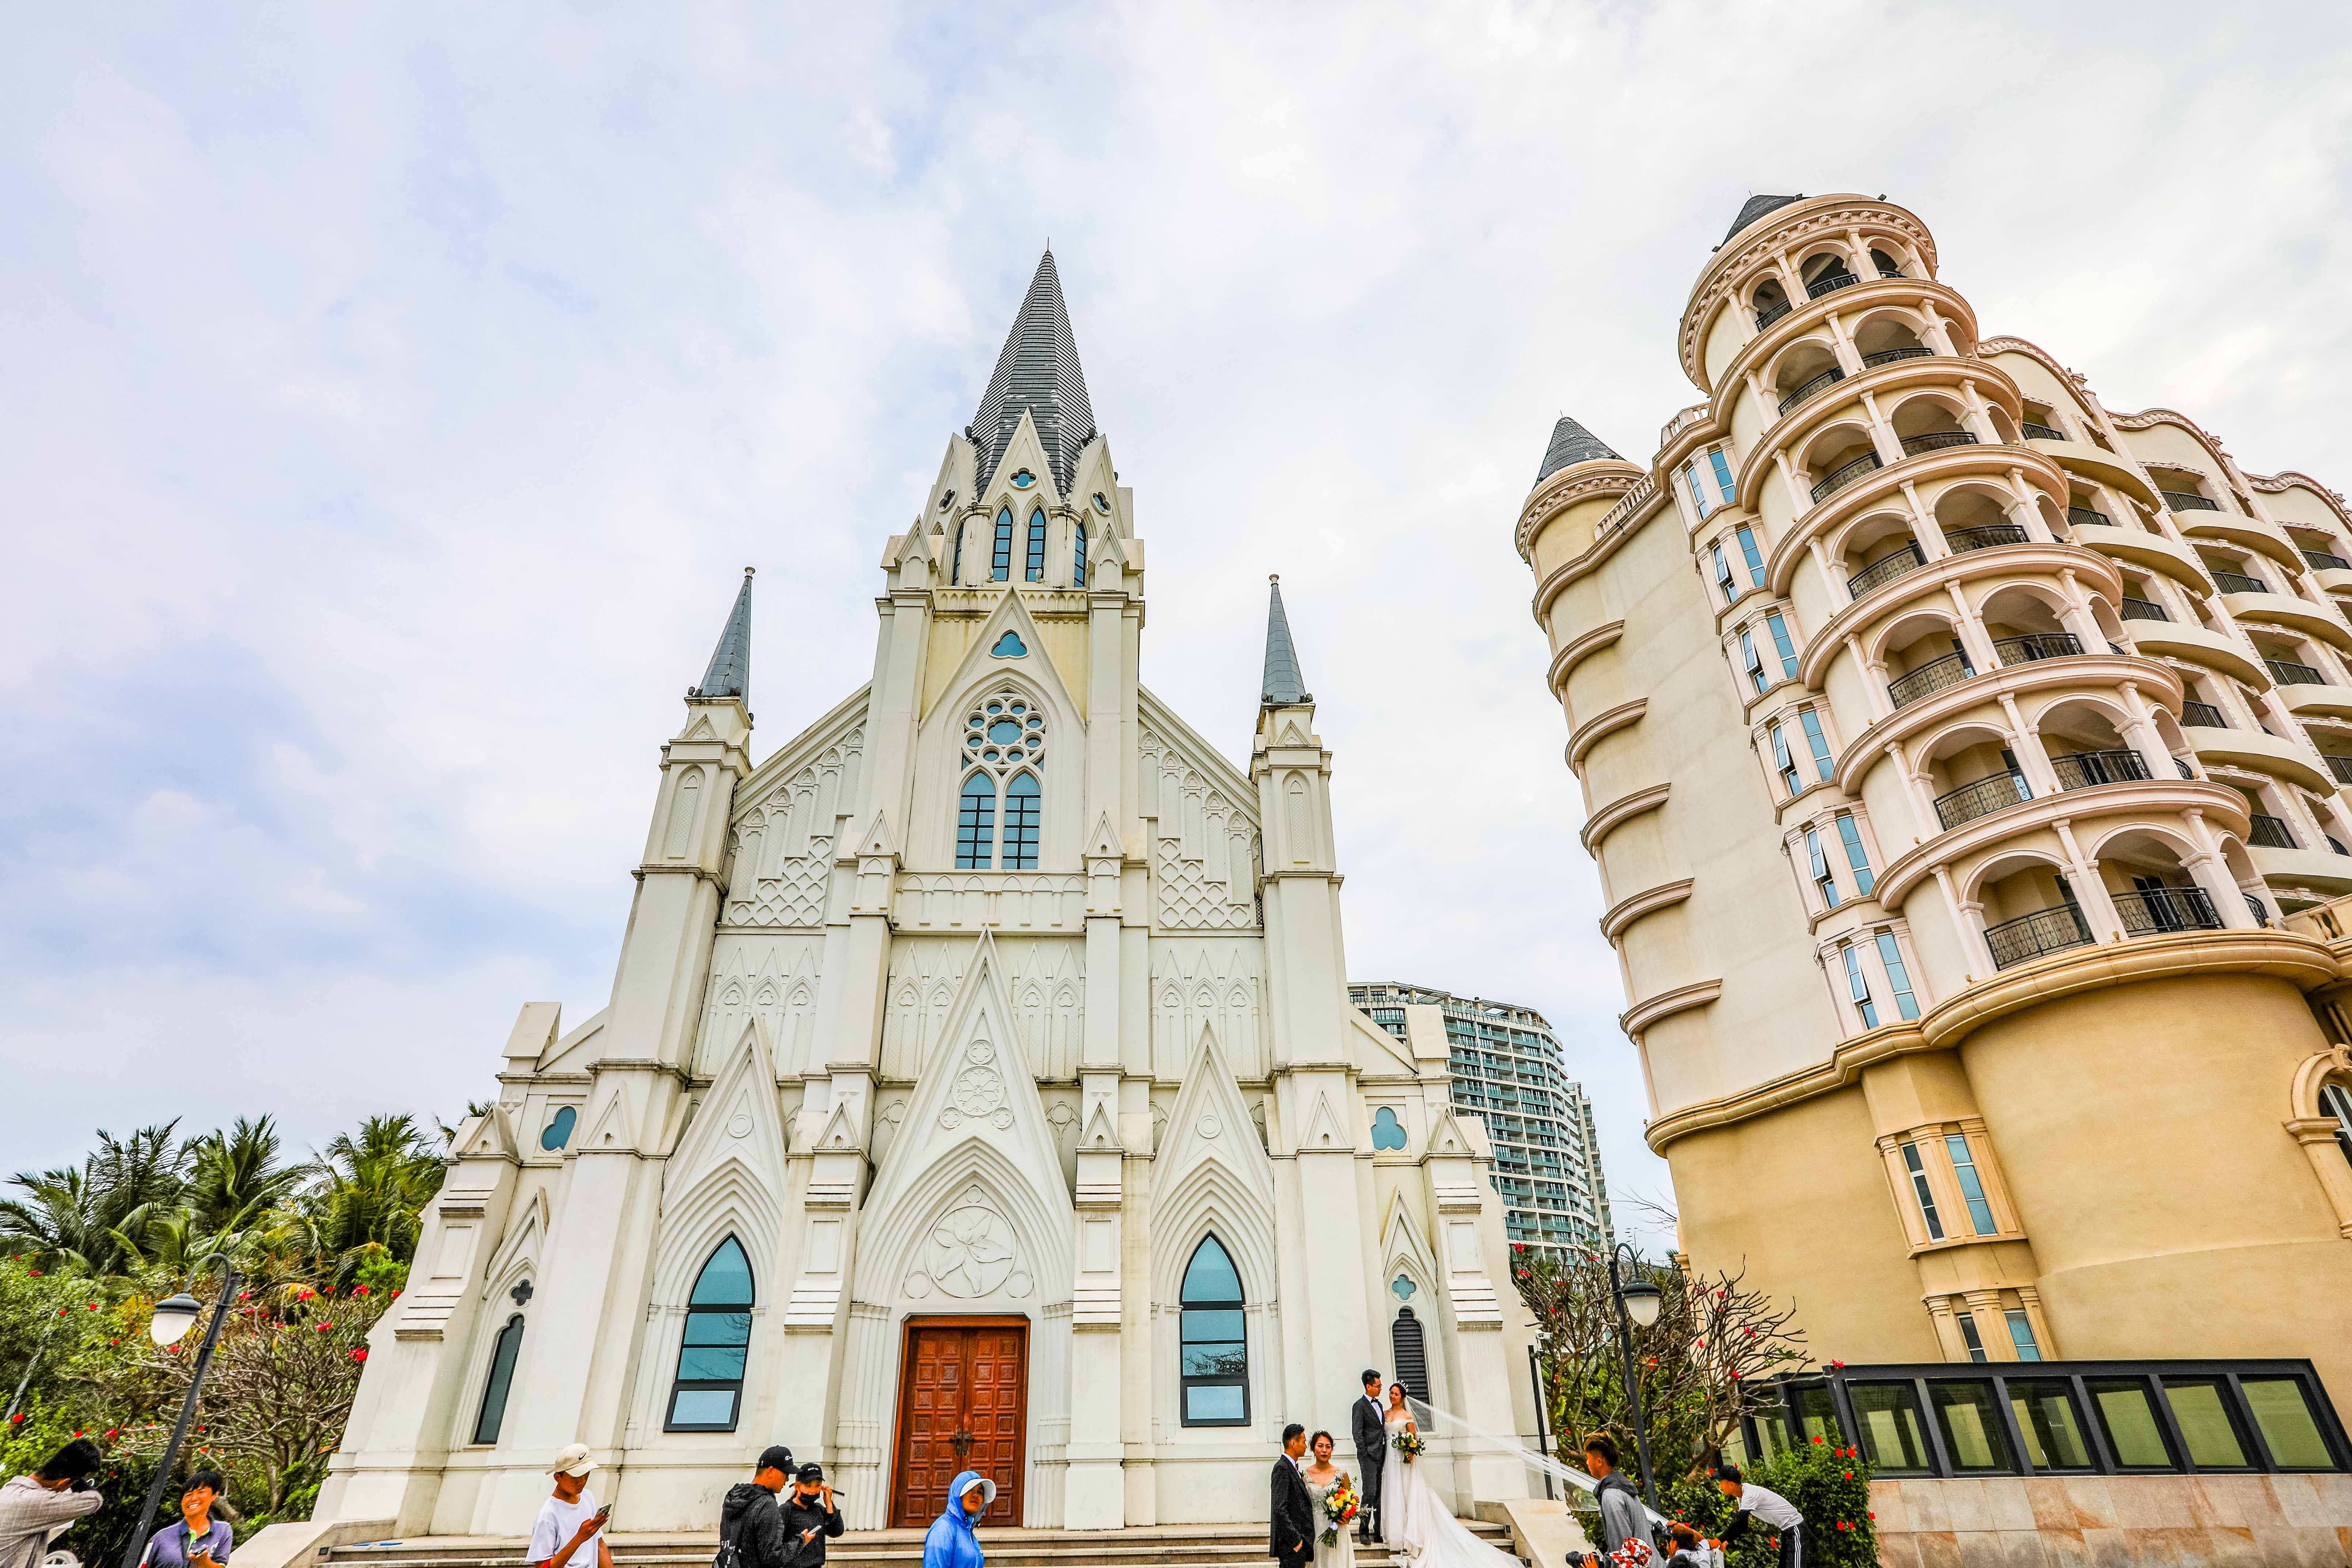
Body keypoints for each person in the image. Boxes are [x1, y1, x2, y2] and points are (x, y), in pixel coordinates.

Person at [1378, 1384, 1518, 1567]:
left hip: (1403, 1459)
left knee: (1406, 1493)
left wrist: (1410, 1450)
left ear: (1402, 1397)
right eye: (1391, 1393)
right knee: (1394, 1494)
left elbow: (1414, 1438)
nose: (1392, 1396)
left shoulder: (1407, 1416)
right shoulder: (1385, 1414)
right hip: (1390, 1458)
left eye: (1396, 1394)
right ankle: (1396, 1536)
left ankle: (1411, 1536)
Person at [0, 1439, 104, 1568]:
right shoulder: (37, 1502)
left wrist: (73, 1475)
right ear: (63, 1482)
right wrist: (77, 1480)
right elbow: (94, 1500)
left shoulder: (8, 1491)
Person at [1563, 1434, 1648, 1568]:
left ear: (1599, 1462)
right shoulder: (1623, 1488)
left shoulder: (1611, 1496)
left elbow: (1623, 1554)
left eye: (1588, 1458)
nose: (1587, 1463)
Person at [527, 1444, 612, 1568]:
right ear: (558, 1477)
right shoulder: (548, 1516)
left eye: (586, 1474)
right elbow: (543, 1566)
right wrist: (580, 1537)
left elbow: (599, 1544)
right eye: (575, 1477)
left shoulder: (587, 1497)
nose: (582, 1481)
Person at [717, 1447, 797, 1568]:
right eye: (785, 1474)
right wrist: (800, 1541)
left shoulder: (733, 1498)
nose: (787, 1480)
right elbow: (772, 1558)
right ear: (770, 1471)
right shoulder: (767, 1504)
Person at [137, 1470, 233, 1568]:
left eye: (201, 1492)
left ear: (214, 1496)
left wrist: (204, 1563)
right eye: (188, 1494)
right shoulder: (160, 1538)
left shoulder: (223, 1530)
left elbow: (221, 1566)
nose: (194, 1498)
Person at [1716, 1464, 1804, 1568]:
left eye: (1721, 1482)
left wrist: (1719, 1540)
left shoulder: (1749, 1495)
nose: (1720, 1486)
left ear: (1731, 1484)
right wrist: (1726, 1541)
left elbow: (1740, 1523)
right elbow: (1743, 1526)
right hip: (1788, 1530)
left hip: (1795, 1529)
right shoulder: (1742, 1495)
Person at [1298, 1431, 1354, 1568]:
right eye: (1320, 1446)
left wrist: (1347, 1518)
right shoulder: (1305, 1475)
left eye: (1328, 1447)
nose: (1324, 1450)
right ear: (1313, 1449)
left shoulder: (1342, 1474)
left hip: (1336, 1528)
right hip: (1315, 1528)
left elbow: (1351, 1502)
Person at [920, 1472, 994, 1568]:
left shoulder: (967, 1530)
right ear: (958, 1494)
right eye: (970, 1490)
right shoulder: (944, 1529)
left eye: (980, 1492)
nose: (976, 1495)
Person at [1268, 1424, 1316, 1568]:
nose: (1306, 1446)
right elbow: (1279, 1509)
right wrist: (1296, 1540)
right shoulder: (1282, 1468)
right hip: (1291, 1546)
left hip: (1297, 1546)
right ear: (1293, 1443)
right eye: (1303, 1442)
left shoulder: (1292, 1468)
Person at [777, 1465, 843, 1565]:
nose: (813, 1491)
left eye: (817, 1486)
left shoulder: (819, 1509)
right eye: (808, 1486)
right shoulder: (786, 1510)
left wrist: (829, 1503)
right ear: (797, 1486)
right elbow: (775, 1546)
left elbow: (837, 1532)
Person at [1348, 1370, 1385, 1546]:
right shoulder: (1360, 1405)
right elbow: (1357, 1432)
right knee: (1369, 1493)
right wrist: (1364, 1453)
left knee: (1379, 1494)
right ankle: (1364, 1530)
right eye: (1378, 1386)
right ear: (1368, 1386)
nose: (1381, 1389)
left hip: (1382, 1455)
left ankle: (1378, 1530)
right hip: (1368, 1456)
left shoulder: (1380, 1405)